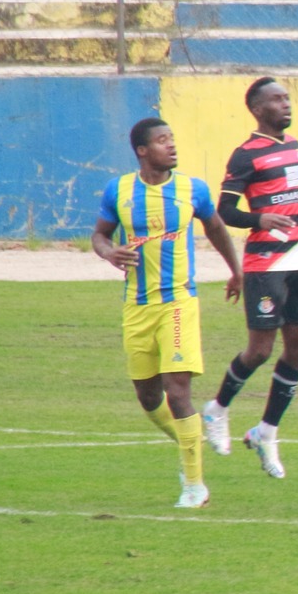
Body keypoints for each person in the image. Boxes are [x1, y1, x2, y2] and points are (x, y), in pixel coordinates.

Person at [202, 77, 298, 481]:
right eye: (277, 99)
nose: (286, 104)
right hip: (266, 264)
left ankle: (266, 431)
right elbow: (225, 211)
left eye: (287, 98)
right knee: (259, 350)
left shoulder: (293, 147)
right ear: (257, 109)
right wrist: (259, 219)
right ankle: (217, 410)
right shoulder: (245, 156)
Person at [92, 118, 244, 508]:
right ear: (142, 151)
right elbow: (100, 234)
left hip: (178, 302)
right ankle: (189, 446)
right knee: (147, 395)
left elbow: (215, 228)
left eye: (172, 139)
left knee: (178, 391)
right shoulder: (119, 191)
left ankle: (194, 487)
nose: (171, 146)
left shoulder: (192, 190)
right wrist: (109, 252)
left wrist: (236, 270)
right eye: (162, 141)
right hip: (137, 306)